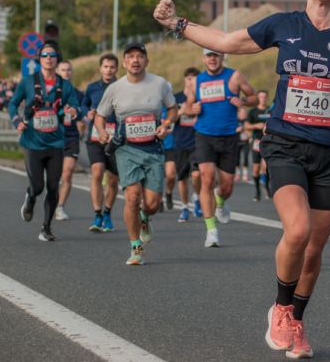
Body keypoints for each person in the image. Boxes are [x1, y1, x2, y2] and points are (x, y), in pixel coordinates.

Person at [153, 0, 330, 359]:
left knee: (315, 249)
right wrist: (177, 24)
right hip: (285, 144)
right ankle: (279, 307)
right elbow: (226, 41)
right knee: (297, 231)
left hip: (329, 152)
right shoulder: (285, 25)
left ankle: (296, 318)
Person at [94, 42, 177, 266]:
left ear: (146, 61)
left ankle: (145, 218)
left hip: (153, 148)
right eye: (130, 56)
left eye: (139, 56)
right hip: (126, 148)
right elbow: (100, 116)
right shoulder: (114, 89)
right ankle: (135, 247)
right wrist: (102, 132)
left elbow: (173, 109)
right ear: (124, 62)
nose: (135, 60)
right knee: (132, 197)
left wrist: (167, 123)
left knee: (151, 203)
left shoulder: (159, 84)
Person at [7, 40, 81, 242]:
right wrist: (16, 120)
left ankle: (46, 228)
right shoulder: (28, 81)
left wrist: (73, 110)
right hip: (33, 143)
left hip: (56, 143)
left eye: (52, 55)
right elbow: (13, 104)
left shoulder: (64, 85)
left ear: (58, 59)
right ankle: (30, 199)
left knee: (53, 187)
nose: (49, 59)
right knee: (38, 186)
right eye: (45, 55)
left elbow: (76, 106)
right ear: (39, 60)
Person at [188, 48, 258, 247]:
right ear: (204, 58)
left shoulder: (234, 76)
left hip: (228, 136)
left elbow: (253, 97)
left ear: (222, 57)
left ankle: (220, 201)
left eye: (216, 56)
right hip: (204, 135)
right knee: (207, 178)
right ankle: (211, 230)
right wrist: (192, 109)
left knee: (226, 186)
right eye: (209, 56)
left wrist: (243, 101)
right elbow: (186, 107)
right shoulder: (196, 81)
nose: (212, 59)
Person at [81, 53, 120, 232]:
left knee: (112, 179)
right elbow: (84, 105)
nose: (109, 70)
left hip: (115, 138)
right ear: (100, 68)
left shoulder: (123, 87)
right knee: (97, 172)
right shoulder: (92, 88)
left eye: (112, 67)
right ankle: (97, 214)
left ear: (117, 69)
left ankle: (107, 213)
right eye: (106, 66)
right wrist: (87, 113)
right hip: (95, 137)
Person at [167, 67, 199, 221]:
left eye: (194, 78)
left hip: (197, 142)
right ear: (185, 80)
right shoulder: (176, 97)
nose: (191, 81)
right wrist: (181, 111)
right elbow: (170, 118)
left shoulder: (202, 97)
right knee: (182, 178)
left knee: (196, 174)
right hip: (180, 142)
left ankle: (198, 197)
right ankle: (185, 207)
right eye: (189, 78)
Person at [54, 59, 85, 222]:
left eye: (68, 70)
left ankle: (60, 207)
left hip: (71, 136)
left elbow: (83, 112)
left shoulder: (78, 94)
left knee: (68, 172)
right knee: (53, 175)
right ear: (57, 72)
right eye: (63, 70)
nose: (66, 72)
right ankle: (50, 200)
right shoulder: (51, 92)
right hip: (52, 137)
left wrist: (80, 118)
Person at [244, 90, 273, 201]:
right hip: (257, 142)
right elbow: (246, 126)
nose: (263, 99)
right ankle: (257, 191)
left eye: (265, 97)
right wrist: (257, 125)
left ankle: (267, 187)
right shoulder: (253, 112)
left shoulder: (271, 110)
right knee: (255, 170)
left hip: (269, 142)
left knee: (266, 168)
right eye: (261, 97)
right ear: (258, 98)